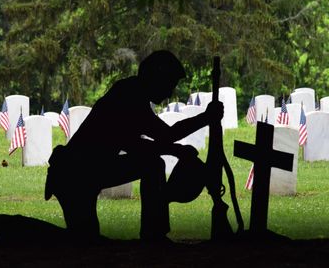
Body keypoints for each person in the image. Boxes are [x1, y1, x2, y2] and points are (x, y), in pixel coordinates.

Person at [45, 50, 224, 242]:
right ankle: (154, 235)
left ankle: (154, 234)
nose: (170, 91)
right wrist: (204, 119)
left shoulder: (131, 91)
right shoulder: (130, 95)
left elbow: (138, 142)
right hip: (76, 175)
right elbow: (158, 138)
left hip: (86, 171)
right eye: (169, 83)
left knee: (152, 165)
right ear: (156, 78)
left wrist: (176, 148)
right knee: (84, 241)